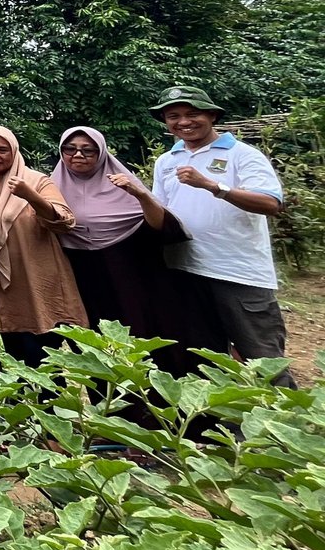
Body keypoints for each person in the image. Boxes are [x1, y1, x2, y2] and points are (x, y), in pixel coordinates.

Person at [148, 86, 294, 387]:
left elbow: (271, 203)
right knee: (206, 359)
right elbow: (161, 211)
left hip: (238, 273)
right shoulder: (167, 161)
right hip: (186, 271)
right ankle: (225, 429)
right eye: (173, 116)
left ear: (212, 115)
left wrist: (214, 186)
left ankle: (283, 428)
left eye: (192, 114)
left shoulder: (241, 154)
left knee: (262, 358)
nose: (183, 122)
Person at [50, 124, 217, 376]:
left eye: (88, 150)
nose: (78, 155)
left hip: (131, 274)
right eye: (70, 149)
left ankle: (154, 405)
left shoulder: (122, 183)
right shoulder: (52, 187)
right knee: (94, 345)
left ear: (102, 153)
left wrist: (140, 194)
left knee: (143, 336)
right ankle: (110, 407)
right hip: (81, 278)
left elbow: (162, 226)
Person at [0, 125, 85, 369]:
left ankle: (53, 404)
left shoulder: (35, 181)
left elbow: (65, 222)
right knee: (17, 355)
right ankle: (26, 405)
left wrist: (31, 196)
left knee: (44, 352)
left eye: (2, 150)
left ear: (14, 151)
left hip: (37, 278)